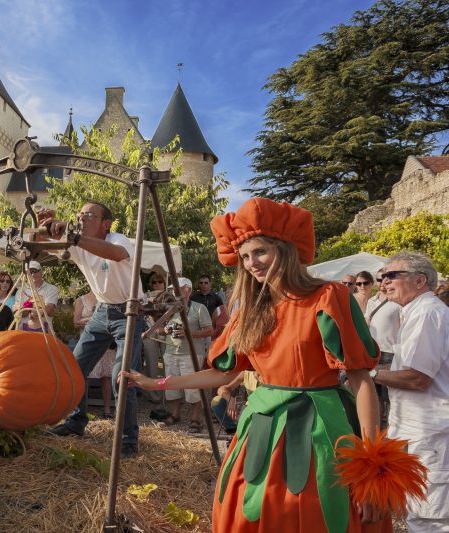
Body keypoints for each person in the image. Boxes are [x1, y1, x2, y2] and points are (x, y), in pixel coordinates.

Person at [121, 198, 388, 531]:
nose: (251, 263)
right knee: (253, 509)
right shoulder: (251, 310)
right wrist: (156, 383)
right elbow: (226, 372)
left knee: (318, 510)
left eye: (260, 252)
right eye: (245, 256)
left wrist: (371, 464)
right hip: (262, 427)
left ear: (285, 250)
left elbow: (361, 379)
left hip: (322, 427)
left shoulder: (328, 297)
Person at [41, 201, 145, 459]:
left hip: (129, 311)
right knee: (73, 369)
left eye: (89, 215)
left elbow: (116, 254)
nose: (82, 218)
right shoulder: (78, 244)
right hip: (102, 312)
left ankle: (127, 440)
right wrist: (44, 226)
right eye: (80, 215)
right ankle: (76, 422)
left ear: (105, 223)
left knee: (122, 377)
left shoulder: (118, 239)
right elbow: (44, 245)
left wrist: (74, 237)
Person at [373, 251, 449, 532]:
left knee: (431, 519)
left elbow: (418, 378)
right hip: (424, 431)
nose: (384, 282)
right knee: (421, 513)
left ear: (420, 280)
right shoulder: (417, 312)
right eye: (382, 276)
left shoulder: (427, 313)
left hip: (431, 434)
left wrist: (369, 375)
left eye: (393, 275)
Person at [160, 277, 213, 431]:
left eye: (177, 288)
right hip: (171, 352)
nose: (173, 292)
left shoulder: (199, 308)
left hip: (191, 354)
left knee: (192, 388)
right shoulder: (169, 308)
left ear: (188, 290)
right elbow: (159, 329)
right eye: (172, 289)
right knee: (172, 387)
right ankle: (175, 414)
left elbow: (209, 330)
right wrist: (165, 330)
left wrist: (188, 333)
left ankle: (196, 418)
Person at [364, 268, 400, 425]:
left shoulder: (397, 302)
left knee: (390, 396)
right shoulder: (372, 301)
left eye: (385, 278)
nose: (383, 282)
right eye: (379, 279)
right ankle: (378, 429)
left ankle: (392, 428)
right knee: (376, 395)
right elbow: (367, 324)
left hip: (390, 352)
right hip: (373, 352)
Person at [75, 290, 114, 419]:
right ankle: (82, 411)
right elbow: (76, 322)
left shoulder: (107, 297)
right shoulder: (81, 300)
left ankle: (107, 410)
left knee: (106, 376)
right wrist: (94, 321)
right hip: (89, 341)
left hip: (106, 342)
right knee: (83, 374)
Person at [140, 272, 167, 403]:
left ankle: (170, 394)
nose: (157, 284)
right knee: (151, 364)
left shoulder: (170, 295)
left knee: (168, 362)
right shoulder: (145, 296)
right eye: (154, 282)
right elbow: (142, 313)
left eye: (159, 281)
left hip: (166, 331)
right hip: (150, 332)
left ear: (164, 283)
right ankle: (154, 395)